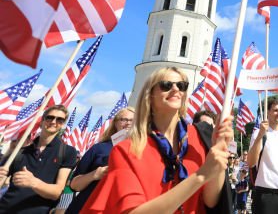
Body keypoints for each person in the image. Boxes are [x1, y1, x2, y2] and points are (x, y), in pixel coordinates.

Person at [81, 66, 233, 213]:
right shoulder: (126, 150)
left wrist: (218, 151)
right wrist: (201, 175)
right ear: (150, 95)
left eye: (182, 85)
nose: (176, 90)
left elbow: (210, 201)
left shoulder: (199, 138)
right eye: (166, 85)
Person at [0, 105, 78, 213]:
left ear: (63, 124)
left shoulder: (67, 152)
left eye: (60, 120)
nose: (54, 122)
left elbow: (57, 192)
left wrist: (33, 182)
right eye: (50, 117)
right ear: (42, 121)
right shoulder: (21, 151)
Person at [65, 107, 135, 213]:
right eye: (124, 119)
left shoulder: (142, 152)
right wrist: (94, 175)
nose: (128, 123)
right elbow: (74, 185)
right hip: (84, 207)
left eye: (133, 120)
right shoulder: (99, 148)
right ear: (115, 123)